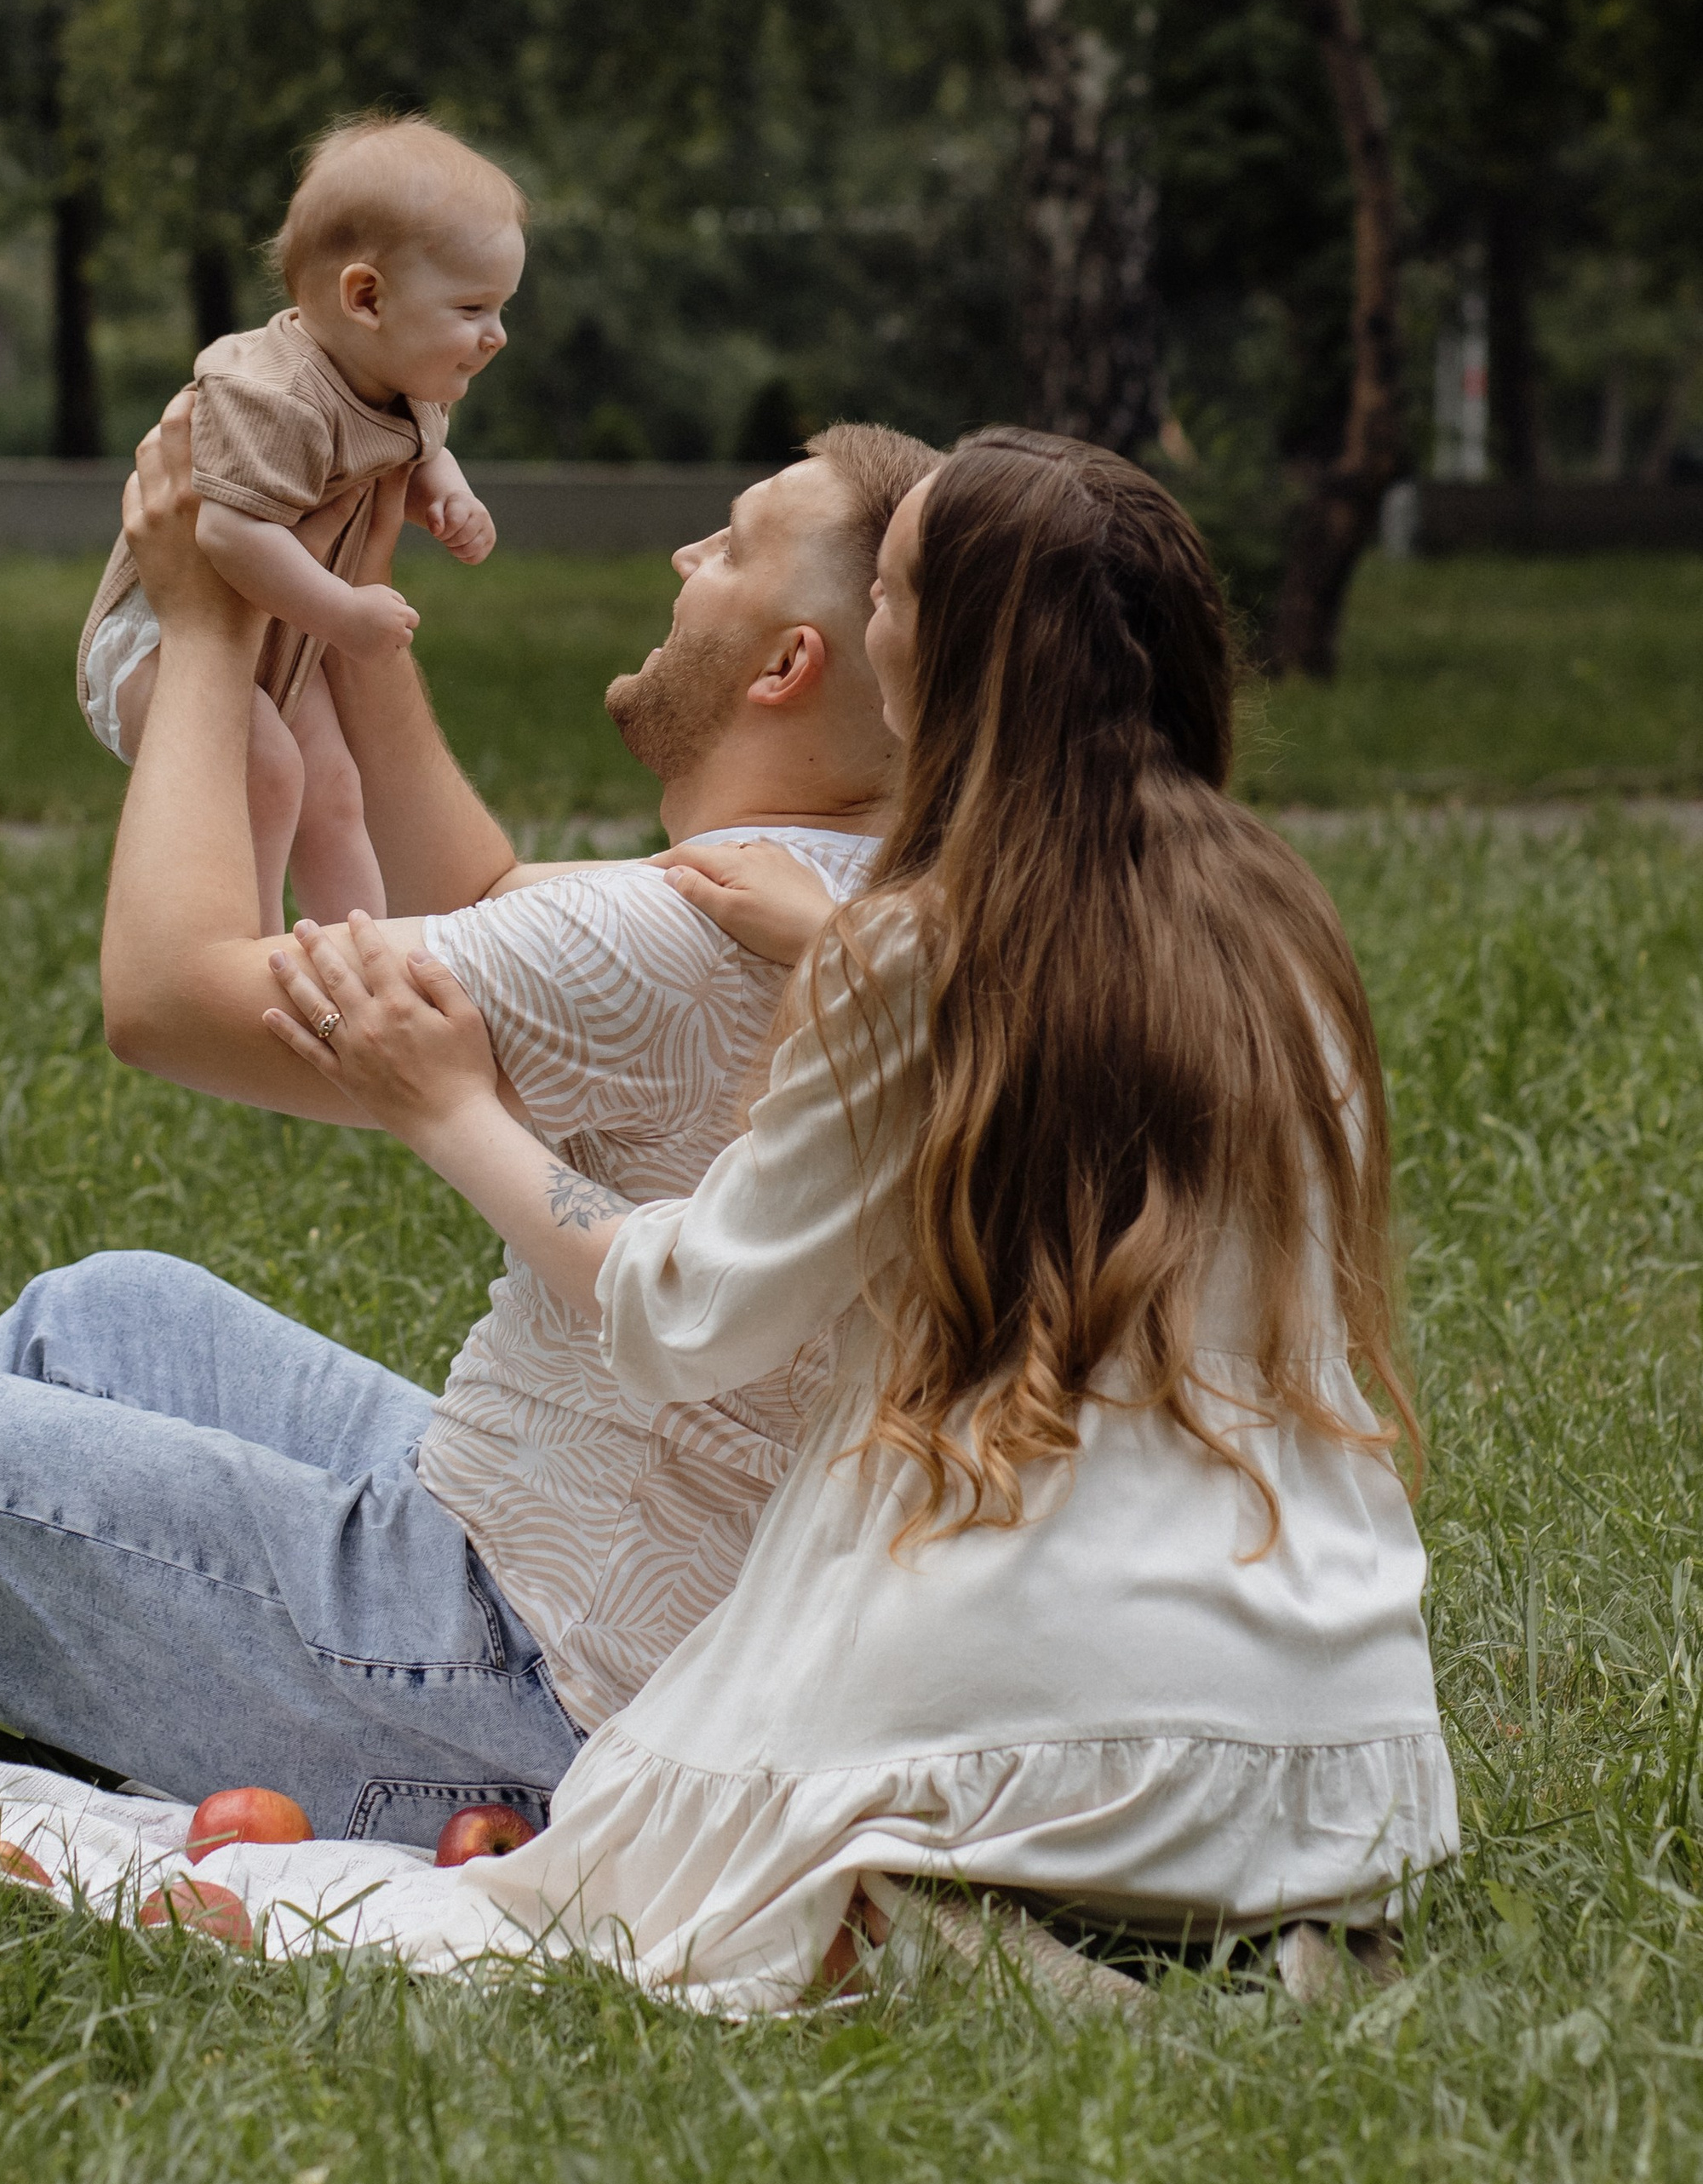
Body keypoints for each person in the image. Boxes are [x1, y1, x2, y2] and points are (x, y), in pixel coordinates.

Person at [0, 404, 937, 1851]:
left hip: (514, 1689)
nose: (686, 551)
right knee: (114, 1316)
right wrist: (341, 625)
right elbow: (509, 902)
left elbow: (166, 999)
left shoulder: (673, 934)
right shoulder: (865, 900)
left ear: (788, 663)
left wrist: (201, 631)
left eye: (734, 545)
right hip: (576, 1575)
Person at [241, 428, 1458, 2008]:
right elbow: (1031, 1040)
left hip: (1047, 1745)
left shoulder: (915, 964)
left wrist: (445, 1107)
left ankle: (984, 1925)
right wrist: (844, 945)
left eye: (888, 593)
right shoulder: (1276, 936)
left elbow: (687, 1314)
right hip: (1336, 1764)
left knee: (618, 1886)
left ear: (932, 655)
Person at [78, 113, 523, 931]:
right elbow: (228, 536)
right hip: (159, 641)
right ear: (366, 298)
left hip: (277, 645)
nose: (495, 335)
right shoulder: (276, 399)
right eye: (472, 308)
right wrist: (345, 613)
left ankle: (367, 960)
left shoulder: (399, 379)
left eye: (500, 308)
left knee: (333, 789)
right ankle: (242, 964)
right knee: (272, 772)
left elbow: (417, 451)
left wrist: (448, 495)